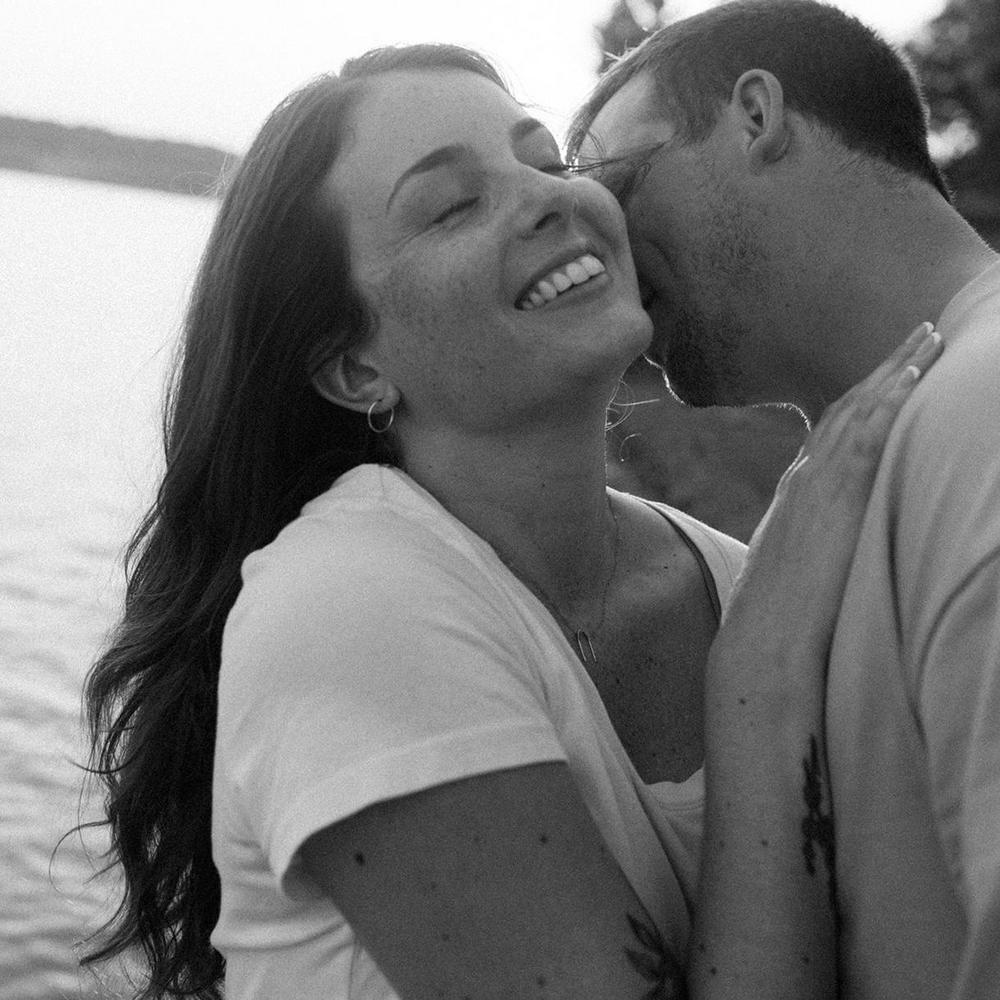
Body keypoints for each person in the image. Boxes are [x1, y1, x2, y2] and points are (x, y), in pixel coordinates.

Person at [80, 43, 940, 1000]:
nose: (546, 199)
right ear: (355, 368)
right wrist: (761, 683)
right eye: (453, 205)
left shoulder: (741, 577)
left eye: (547, 161)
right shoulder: (349, 605)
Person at [567, 2, 1000, 997]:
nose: (604, 250)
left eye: (611, 186)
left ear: (756, 117)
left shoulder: (979, 417)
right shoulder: (864, 476)